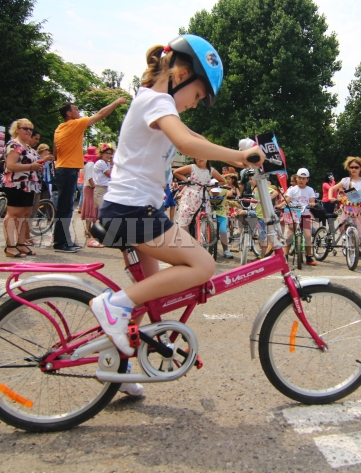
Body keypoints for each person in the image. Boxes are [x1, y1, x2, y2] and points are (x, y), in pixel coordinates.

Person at [91, 34, 264, 377]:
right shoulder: (158, 102)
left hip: (134, 212)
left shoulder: (154, 102)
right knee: (202, 266)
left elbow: (193, 139)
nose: (196, 104)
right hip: (131, 213)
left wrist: (237, 155)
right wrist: (240, 157)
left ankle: (118, 370)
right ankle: (112, 305)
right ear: (182, 76)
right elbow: (186, 141)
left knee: (147, 300)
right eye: (198, 95)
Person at [53, 96, 126, 253]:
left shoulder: (60, 127)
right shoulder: (74, 124)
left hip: (63, 168)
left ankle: (64, 240)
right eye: (75, 109)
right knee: (64, 209)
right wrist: (116, 102)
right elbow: (100, 114)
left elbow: (55, 151)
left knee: (64, 208)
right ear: (69, 114)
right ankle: (60, 243)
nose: (78, 111)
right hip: (67, 170)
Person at [1, 118, 42, 258]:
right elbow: (10, 166)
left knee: (25, 214)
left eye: (30, 129)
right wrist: (32, 166)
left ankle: (20, 243)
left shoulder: (28, 147)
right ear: (17, 129)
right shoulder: (14, 144)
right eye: (25, 128)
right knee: (13, 214)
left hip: (29, 184)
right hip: (16, 183)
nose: (29, 131)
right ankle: (10, 246)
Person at [329, 157, 361, 269]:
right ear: (348, 168)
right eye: (351, 167)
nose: (354, 169)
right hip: (349, 209)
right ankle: (351, 252)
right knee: (348, 232)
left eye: (356, 167)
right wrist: (330, 197)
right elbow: (332, 189)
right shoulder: (346, 181)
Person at [173, 158, 223, 231]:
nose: (200, 158)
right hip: (190, 196)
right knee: (185, 217)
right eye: (197, 156)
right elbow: (176, 172)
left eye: (202, 156)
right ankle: (184, 237)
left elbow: (222, 181)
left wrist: (210, 187)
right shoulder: (192, 167)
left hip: (203, 196)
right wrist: (187, 181)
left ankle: (201, 238)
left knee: (204, 218)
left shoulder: (211, 170)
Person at [281, 167, 318, 265]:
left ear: (307, 179)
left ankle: (309, 257)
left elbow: (312, 201)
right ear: (296, 178)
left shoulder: (310, 190)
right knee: (289, 234)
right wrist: (280, 205)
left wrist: (312, 204)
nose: (301, 180)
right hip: (293, 214)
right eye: (299, 178)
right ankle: (285, 255)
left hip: (305, 215)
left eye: (303, 178)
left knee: (308, 236)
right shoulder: (292, 189)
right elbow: (287, 199)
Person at [81, 145, 100, 247]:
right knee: (92, 209)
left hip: (87, 187)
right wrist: (95, 186)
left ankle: (87, 229)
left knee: (89, 208)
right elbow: (90, 178)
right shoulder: (91, 164)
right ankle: (89, 230)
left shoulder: (88, 164)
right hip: (90, 188)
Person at [92, 143, 113, 210]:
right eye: (106, 153)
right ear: (102, 153)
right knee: (103, 210)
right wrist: (112, 164)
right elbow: (110, 175)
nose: (108, 155)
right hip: (100, 189)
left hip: (107, 188)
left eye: (110, 154)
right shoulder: (100, 163)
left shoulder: (107, 163)